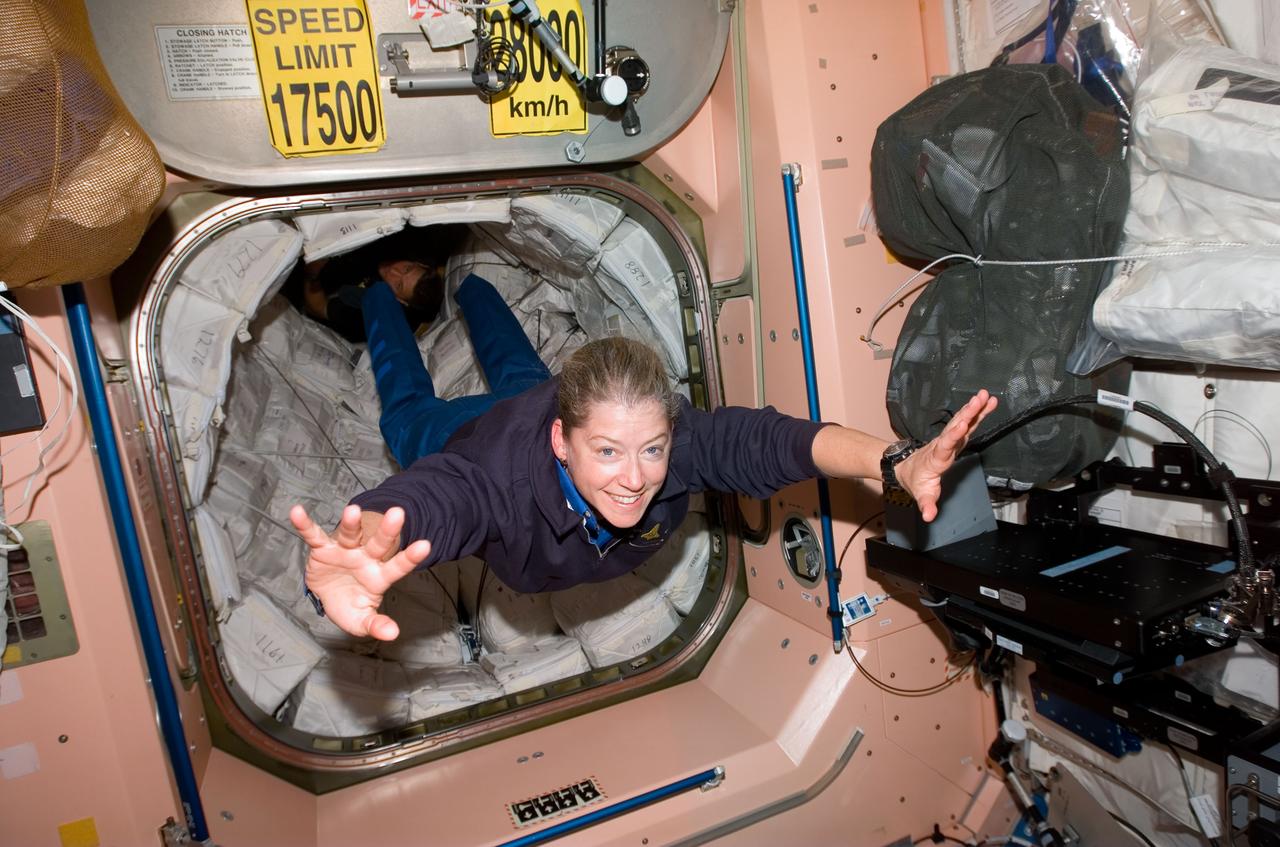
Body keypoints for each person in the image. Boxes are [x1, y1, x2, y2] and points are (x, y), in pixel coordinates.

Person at [290, 306, 998, 640]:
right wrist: (374, 540)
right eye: (608, 453)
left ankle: (470, 280)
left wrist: (892, 460)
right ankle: (378, 296)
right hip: (472, 433)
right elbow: (447, 497)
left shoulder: (662, 444)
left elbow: (769, 440)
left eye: (652, 449)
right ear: (560, 442)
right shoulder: (498, 483)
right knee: (409, 415)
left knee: (525, 374)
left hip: (550, 403)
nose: (635, 479)